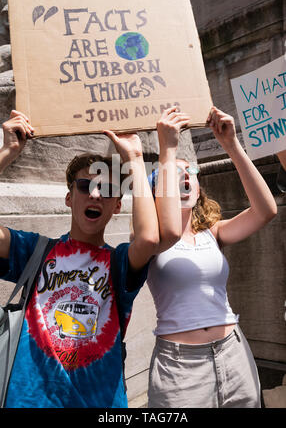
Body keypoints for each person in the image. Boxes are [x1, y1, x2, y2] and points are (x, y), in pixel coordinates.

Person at [0, 107, 188, 408]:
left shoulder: (120, 264)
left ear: (116, 205)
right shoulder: (34, 251)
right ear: (68, 197)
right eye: (86, 185)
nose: (96, 194)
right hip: (29, 401)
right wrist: (7, 150)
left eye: (108, 189)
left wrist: (135, 160)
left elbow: (151, 238)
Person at [147, 106, 277, 409]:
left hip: (234, 354)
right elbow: (163, 229)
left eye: (190, 173)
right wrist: (168, 148)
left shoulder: (214, 232)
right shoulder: (149, 240)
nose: (185, 178)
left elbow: (266, 211)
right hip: (180, 369)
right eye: (174, 175)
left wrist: (232, 145)